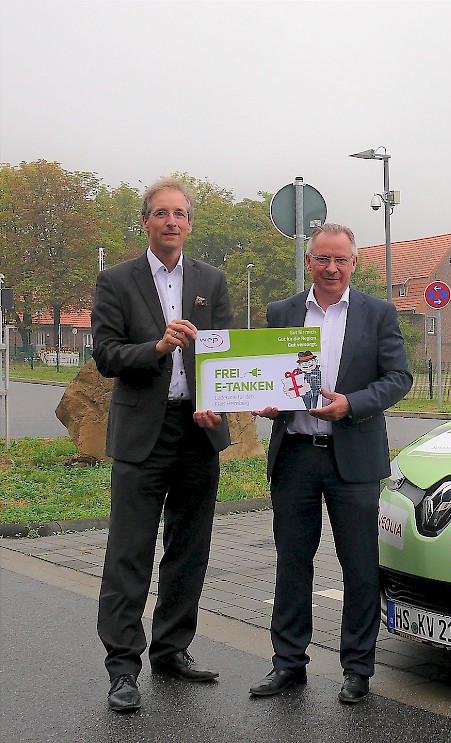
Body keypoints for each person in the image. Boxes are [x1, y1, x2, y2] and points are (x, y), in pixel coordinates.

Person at [249, 223, 412, 704]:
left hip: (353, 459)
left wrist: (352, 404)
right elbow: (266, 374)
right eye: (323, 259)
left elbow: (398, 378)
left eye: (341, 260)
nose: (331, 268)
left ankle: (358, 668)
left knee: (360, 568)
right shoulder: (282, 312)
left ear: (355, 263)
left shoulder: (377, 313)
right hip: (295, 455)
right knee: (292, 565)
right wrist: (268, 398)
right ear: (309, 262)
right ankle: (288, 665)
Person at [92, 177, 232, 712]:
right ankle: (122, 667)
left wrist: (215, 395)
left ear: (190, 223)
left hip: (197, 429)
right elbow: (105, 354)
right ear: (145, 222)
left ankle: (172, 649)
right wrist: (155, 346)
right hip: (141, 432)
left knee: (188, 549)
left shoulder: (211, 280)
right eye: (160, 214)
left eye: (180, 214)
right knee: (129, 551)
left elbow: (222, 351)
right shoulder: (117, 281)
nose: (171, 222)